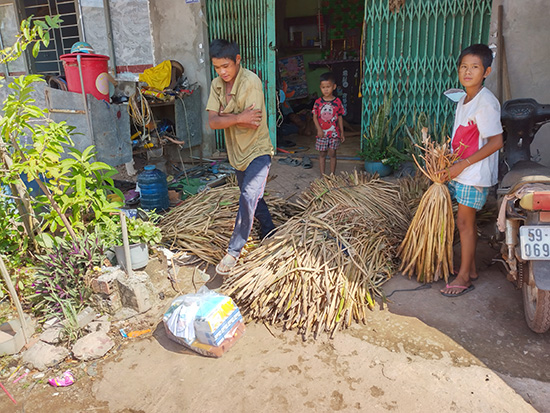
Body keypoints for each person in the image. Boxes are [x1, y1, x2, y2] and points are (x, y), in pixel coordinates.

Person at [206, 39, 276, 276]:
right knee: (254, 196)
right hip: (236, 153)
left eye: (226, 65)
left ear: (237, 60)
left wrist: (226, 116)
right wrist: (237, 117)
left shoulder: (251, 82)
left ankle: (234, 250)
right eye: (217, 67)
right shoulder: (216, 85)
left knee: (248, 194)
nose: (222, 72)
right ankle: (270, 231)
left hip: (258, 150)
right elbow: (213, 122)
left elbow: (252, 120)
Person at [440, 44, 503, 297]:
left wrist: (462, 165)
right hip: (462, 171)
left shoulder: (486, 102)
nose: (468, 71)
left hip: (473, 174)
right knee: (464, 222)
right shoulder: (465, 98)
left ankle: (464, 276)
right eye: (464, 66)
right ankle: (471, 268)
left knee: (465, 223)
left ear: (486, 71)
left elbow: (497, 142)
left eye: (475, 67)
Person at [312, 72, 346, 175]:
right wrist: (319, 129)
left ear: (334, 87)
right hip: (322, 133)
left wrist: (342, 132)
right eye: (323, 87)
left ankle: (332, 174)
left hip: (334, 133)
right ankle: (322, 175)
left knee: (332, 153)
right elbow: (315, 117)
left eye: (328, 87)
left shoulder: (338, 102)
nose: (326, 89)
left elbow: (340, 117)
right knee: (322, 154)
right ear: (320, 87)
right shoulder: (318, 102)